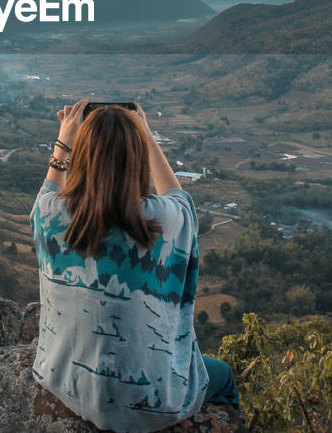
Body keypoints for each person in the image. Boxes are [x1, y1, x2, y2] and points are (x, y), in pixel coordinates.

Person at [30, 99, 241, 432]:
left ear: (82, 158)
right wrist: (146, 133)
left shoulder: (49, 214)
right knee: (224, 377)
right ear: (137, 159)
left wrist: (65, 137)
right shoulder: (162, 220)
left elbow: (48, 188)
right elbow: (179, 198)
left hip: (68, 387)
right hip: (153, 404)